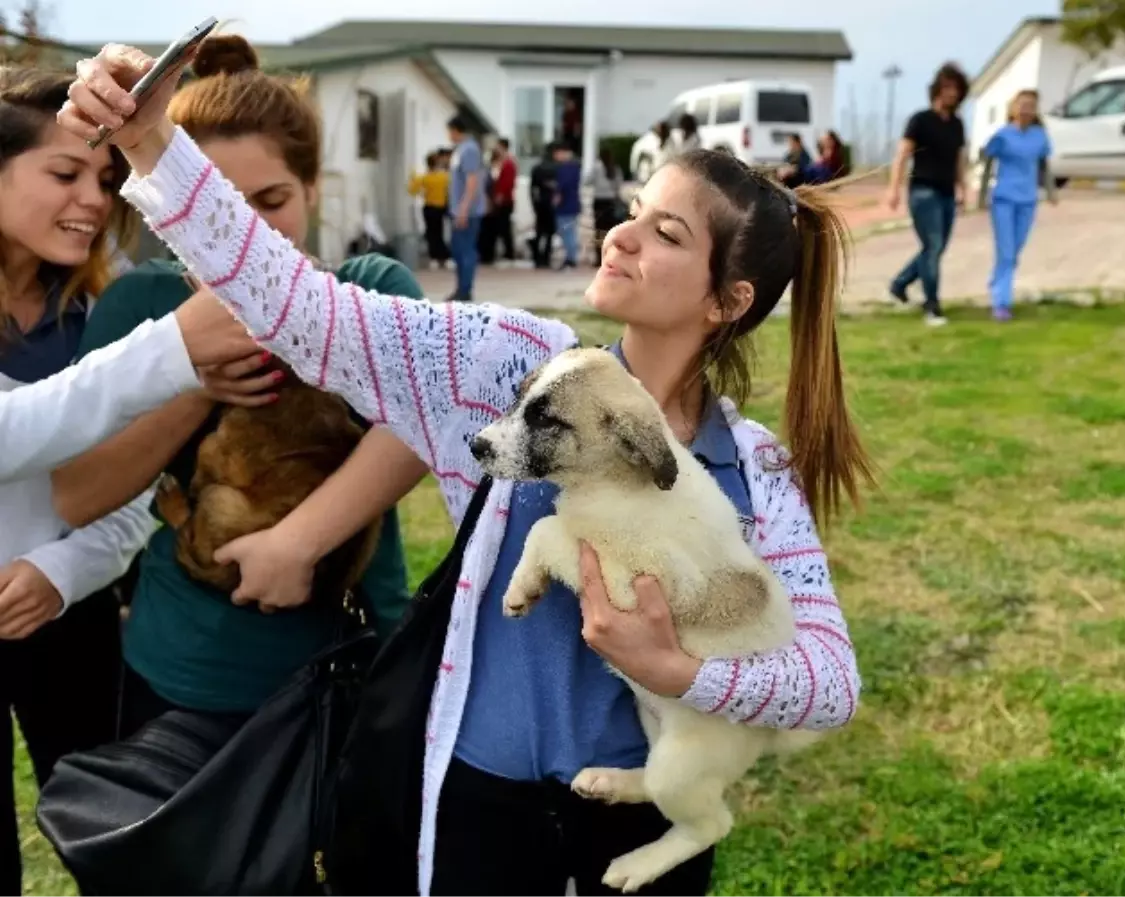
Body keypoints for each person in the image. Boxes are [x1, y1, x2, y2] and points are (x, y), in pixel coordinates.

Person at [60, 43, 869, 897]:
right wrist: (153, 145)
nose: (620, 234)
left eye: (664, 232)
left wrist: (683, 674)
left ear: (726, 302)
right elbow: (304, 309)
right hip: (481, 803)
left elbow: (830, 682)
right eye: (633, 210)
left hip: (643, 818)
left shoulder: (753, 468)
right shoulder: (502, 365)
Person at [50, 36, 430, 747]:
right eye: (220, 203)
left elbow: (420, 421)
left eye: (273, 199)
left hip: (354, 658)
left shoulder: (372, 291)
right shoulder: (141, 305)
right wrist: (190, 380)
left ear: (313, 188)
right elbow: (77, 495)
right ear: (174, 199)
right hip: (186, 675)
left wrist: (296, 542)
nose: (246, 231)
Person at [0, 65, 150, 897]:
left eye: (106, 178)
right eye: (65, 173)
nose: (94, 200)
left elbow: (137, 487)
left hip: (72, 615)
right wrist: (173, 359)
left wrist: (62, 574)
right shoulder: (136, 351)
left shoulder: (110, 313)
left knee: (114, 841)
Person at [1, 295, 257, 483]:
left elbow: (125, 501)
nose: (99, 218)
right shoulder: (136, 298)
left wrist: (57, 559)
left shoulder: (108, 299)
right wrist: (170, 346)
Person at [886, 62, 970, 327]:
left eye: (956, 88)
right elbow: (902, 155)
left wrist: (963, 188)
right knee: (932, 246)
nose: (951, 93)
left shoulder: (957, 124)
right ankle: (932, 305)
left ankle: (900, 283)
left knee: (935, 248)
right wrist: (894, 189)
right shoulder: (920, 120)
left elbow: (959, 159)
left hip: (946, 193)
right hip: (923, 191)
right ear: (937, 89)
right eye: (947, 87)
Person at [979, 90, 1056, 322]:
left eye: (1030, 106)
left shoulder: (1039, 136)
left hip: (1028, 200)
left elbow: (1044, 164)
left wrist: (1051, 191)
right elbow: (987, 162)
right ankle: (1001, 302)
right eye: (1022, 105)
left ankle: (996, 281)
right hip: (1003, 199)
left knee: (1015, 250)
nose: (1025, 110)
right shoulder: (1002, 135)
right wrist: (981, 196)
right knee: (1006, 251)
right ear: (1013, 108)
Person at [446, 115, 485, 301]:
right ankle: (460, 287)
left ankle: (465, 290)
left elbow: (472, 180)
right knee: (458, 250)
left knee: (466, 250)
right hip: (458, 209)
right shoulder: (460, 150)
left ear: (455, 130)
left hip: (467, 211)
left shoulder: (469, 149)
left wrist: (463, 209)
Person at [409, 151, 450, 268]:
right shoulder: (444, 177)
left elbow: (412, 191)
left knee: (431, 233)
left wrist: (413, 177)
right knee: (440, 232)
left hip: (429, 207)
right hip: (441, 207)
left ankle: (434, 257)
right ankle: (444, 257)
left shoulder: (424, 177)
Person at [587, 147, 624, 267]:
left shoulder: (597, 167)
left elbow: (587, 180)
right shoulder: (615, 168)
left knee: (599, 231)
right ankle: (612, 257)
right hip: (611, 201)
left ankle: (599, 258)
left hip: (599, 202)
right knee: (611, 231)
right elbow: (619, 184)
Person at [553, 142, 582, 270]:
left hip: (566, 205)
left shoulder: (566, 168)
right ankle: (571, 257)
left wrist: (557, 197)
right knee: (570, 232)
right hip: (572, 204)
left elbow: (562, 186)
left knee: (567, 232)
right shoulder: (575, 167)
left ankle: (570, 258)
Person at [528, 143, 558, 268]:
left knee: (539, 232)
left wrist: (534, 204)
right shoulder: (557, 168)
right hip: (552, 203)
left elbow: (532, 188)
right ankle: (546, 257)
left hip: (540, 202)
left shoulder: (537, 168)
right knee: (550, 233)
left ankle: (537, 257)